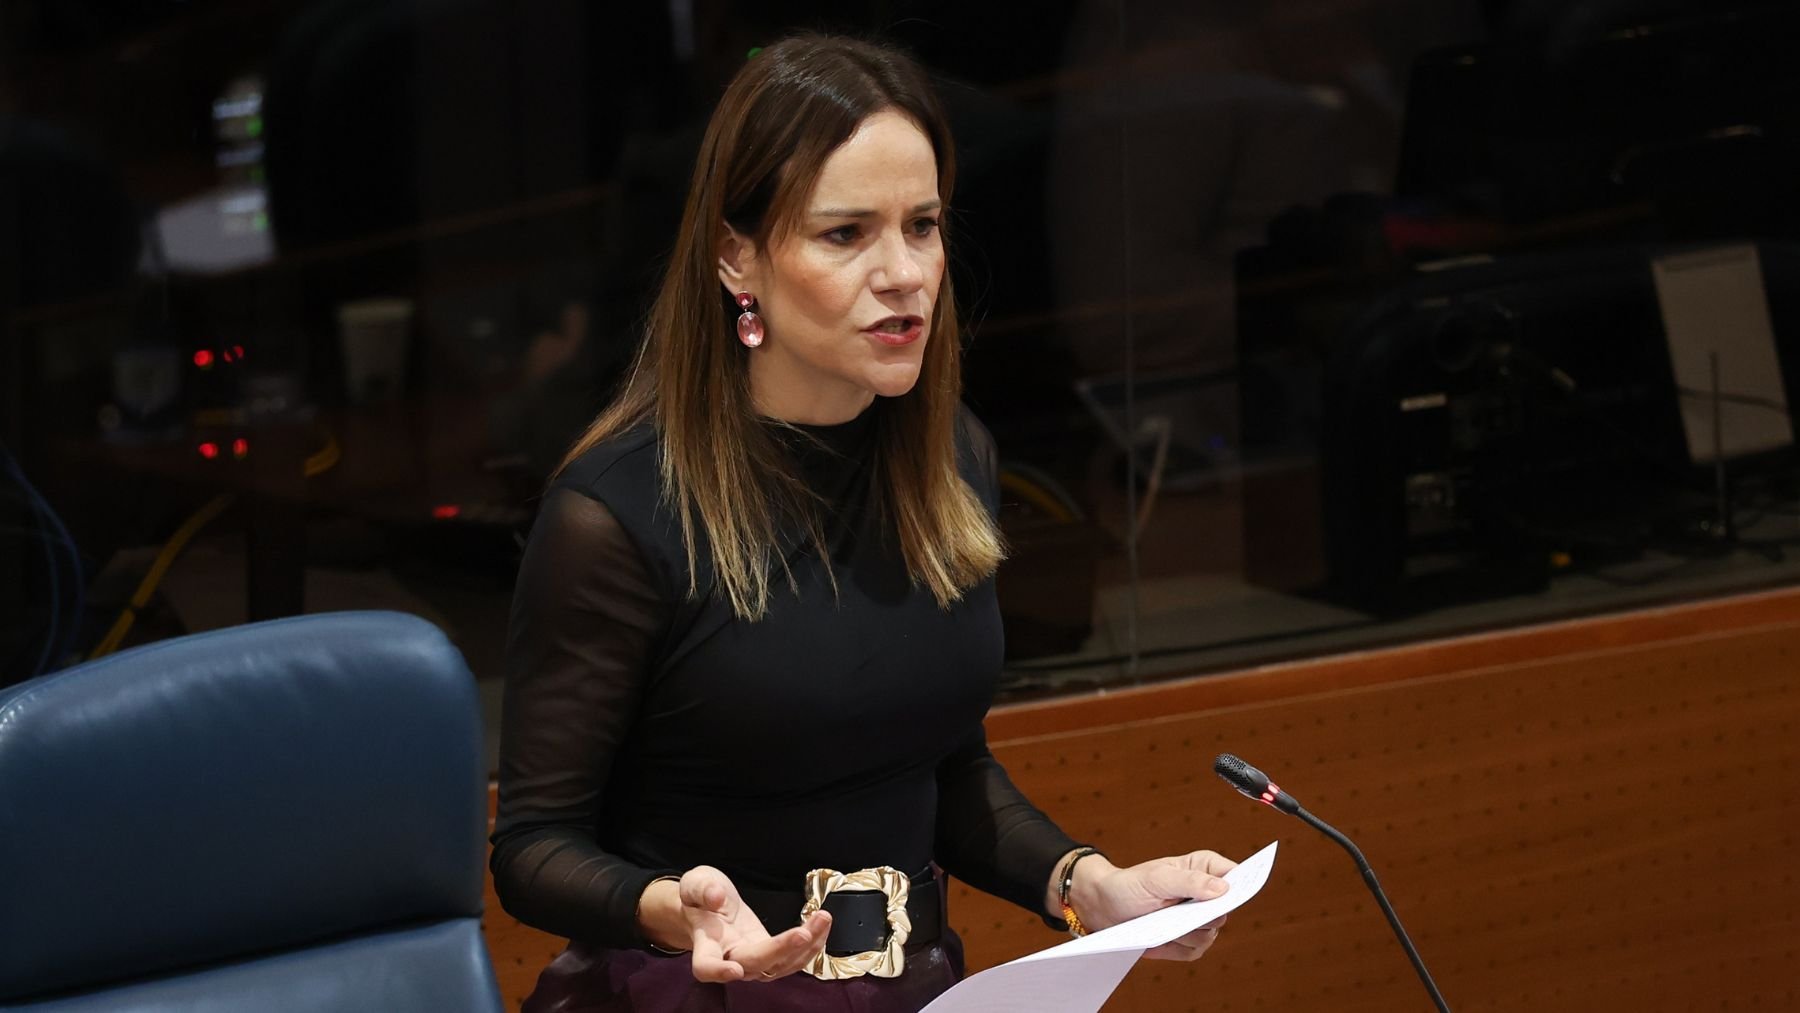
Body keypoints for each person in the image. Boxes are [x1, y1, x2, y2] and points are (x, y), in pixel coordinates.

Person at [490, 33, 1236, 1012]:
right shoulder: (617, 513)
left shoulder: (950, 455)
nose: (904, 273)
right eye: (845, 234)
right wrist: (673, 906)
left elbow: (945, 766)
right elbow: (534, 844)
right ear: (737, 258)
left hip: (915, 986)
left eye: (921, 226)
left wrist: (1088, 882)